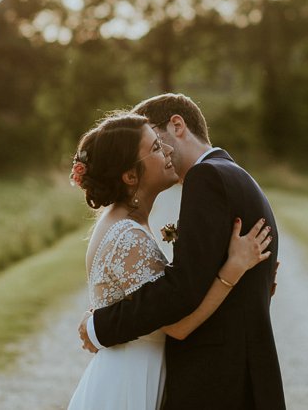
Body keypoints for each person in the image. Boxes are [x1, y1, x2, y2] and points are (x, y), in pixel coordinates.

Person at [78, 93, 286, 409]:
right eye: (154, 148)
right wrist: (236, 273)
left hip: (217, 376)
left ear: (178, 125)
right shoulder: (231, 175)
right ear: (130, 173)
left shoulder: (208, 176)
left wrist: (99, 326)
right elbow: (187, 289)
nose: (167, 152)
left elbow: (180, 292)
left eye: (159, 142)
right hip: (194, 375)